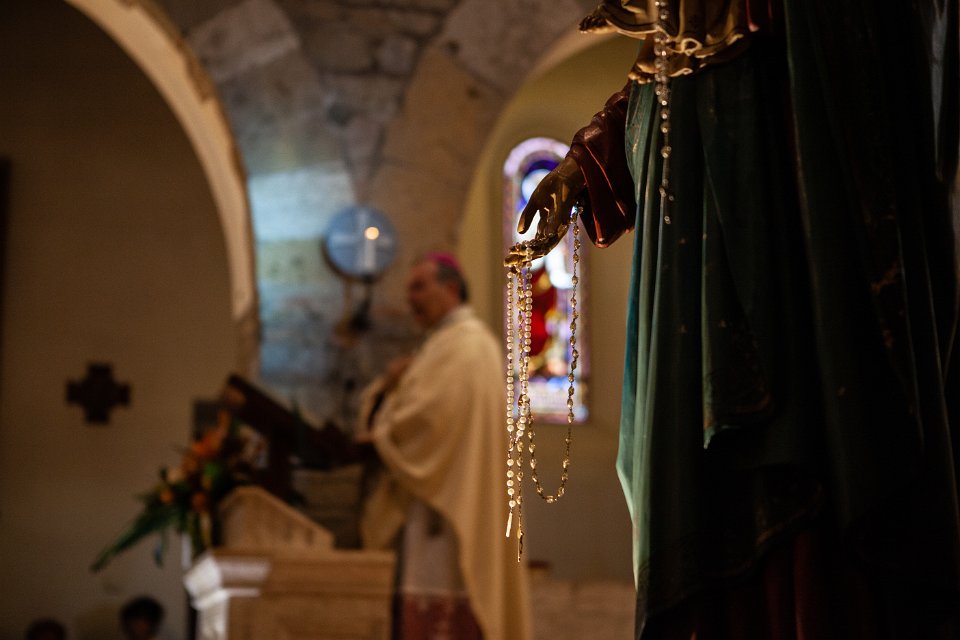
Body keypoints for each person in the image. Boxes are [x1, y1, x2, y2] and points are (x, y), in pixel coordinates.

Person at [510, 1, 960, 638]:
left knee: (807, 447)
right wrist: (587, 165)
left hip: (803, 235)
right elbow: (663, 74)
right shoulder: (687, 31)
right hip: (697, 252)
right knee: (696, 474)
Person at [358, 253, 532, 640]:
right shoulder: (448, 345)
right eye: (409, 290)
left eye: (419, 287)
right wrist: (390, 386)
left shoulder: (464, 346)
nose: (411, 299)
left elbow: (425, 420)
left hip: (448, 511)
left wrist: (384, 425)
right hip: (443, 501)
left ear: (451, 288)